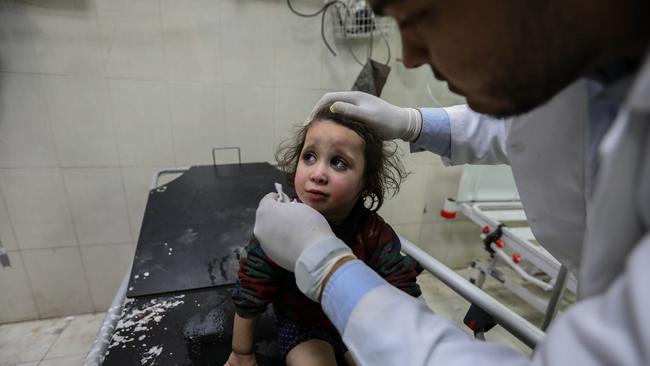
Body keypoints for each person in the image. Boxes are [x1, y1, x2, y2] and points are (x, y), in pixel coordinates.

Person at [253, 0, 650, 365]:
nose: (409, 58)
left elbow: (407, 298)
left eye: (419, 17)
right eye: (310, 157)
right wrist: (417, 124)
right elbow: (525, 123)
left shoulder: (375, 237)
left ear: (366, 186)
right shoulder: (585, 69)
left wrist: (327, 267)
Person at [225, 105, 422, 366]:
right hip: (304, 324)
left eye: (338, 162)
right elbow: (252, 289)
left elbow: (401, 290)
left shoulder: (373, 232)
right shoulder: (283, 226)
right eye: (309, 157)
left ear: (366, 184)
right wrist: (241, 353)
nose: (318, 174)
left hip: (356, 319)